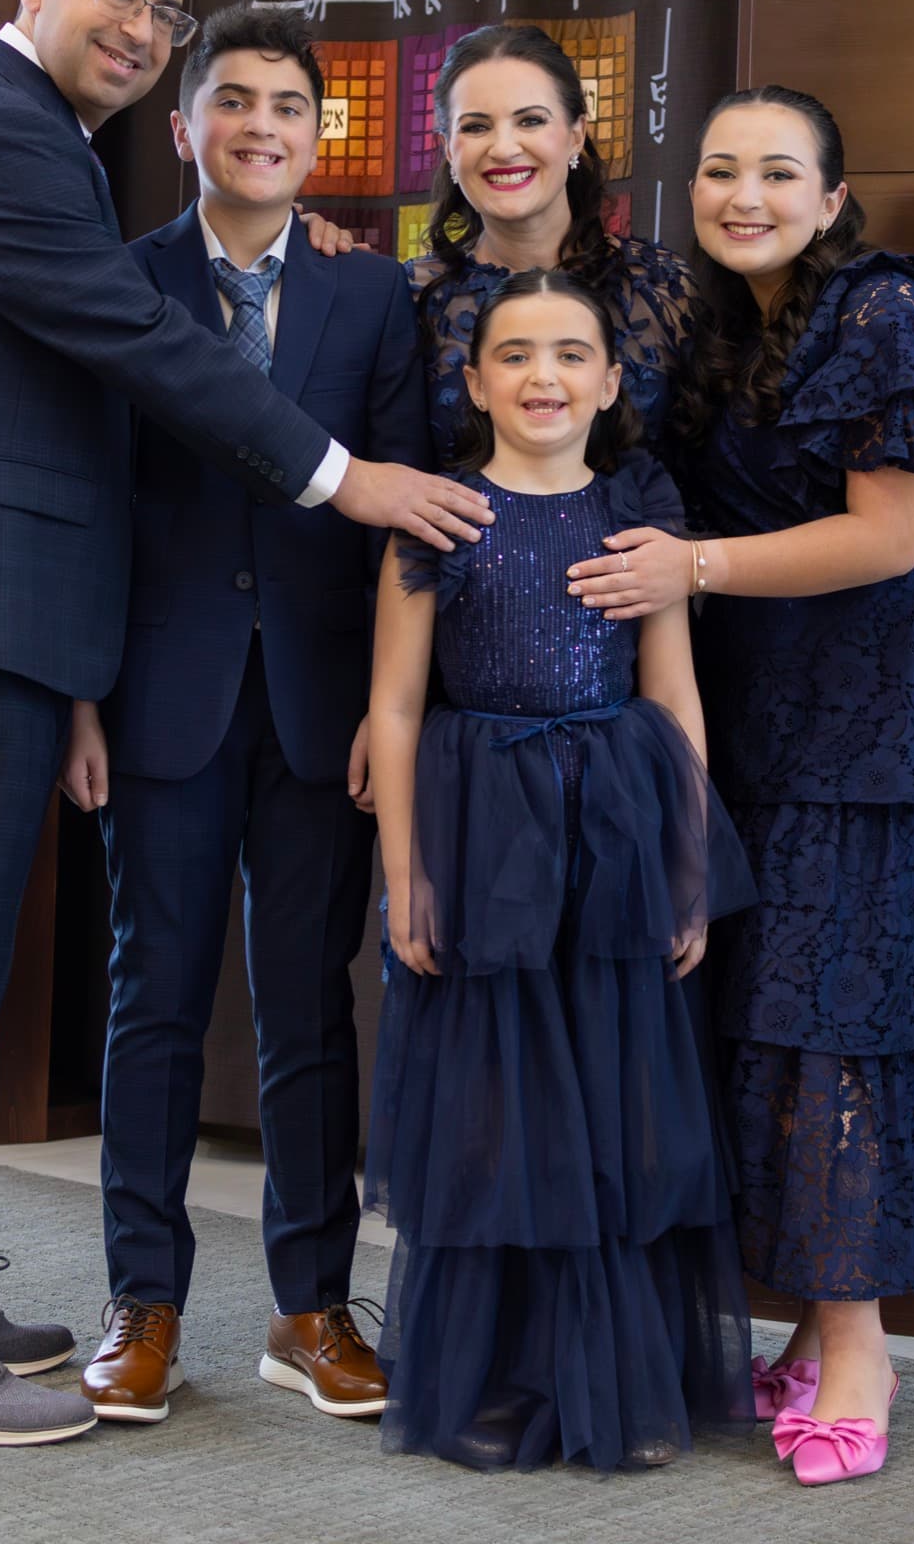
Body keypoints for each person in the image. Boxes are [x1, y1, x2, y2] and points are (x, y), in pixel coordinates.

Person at [0, 0, 490, 1448]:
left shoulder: (30, 138)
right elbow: (138, 344)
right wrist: (343, 476)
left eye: (162, 9)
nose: (137, 27)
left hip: (3, 620)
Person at [566, 86, 914, 1486]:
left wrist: (690, 566)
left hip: (885, 744)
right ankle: (816, 1333)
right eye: (719, 170)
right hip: (765, 732)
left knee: (839, 1037)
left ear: (832, 198)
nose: (742, 195)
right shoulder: (726, 326)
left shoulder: (885, 314)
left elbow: (892, 539)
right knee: (774, 1039)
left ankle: (860, 1350)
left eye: (777, 172)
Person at [58, 3, 429, 1425]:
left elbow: (396, 514)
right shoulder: (120, 279)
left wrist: (386, 708)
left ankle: (311, 1307)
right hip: (161, 696)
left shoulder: (371, 295)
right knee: (151, 998)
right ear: (184, 125)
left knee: (309, 1010)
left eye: (285, 105)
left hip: (321, 705)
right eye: (233, 100)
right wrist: (81, 698)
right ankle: (141, 1302)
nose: (259, 125)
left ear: (318, 138)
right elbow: (91, 502)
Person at [364, 269, 757, 1471]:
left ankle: (612, 1377)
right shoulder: (438, 516)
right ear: (475, 381)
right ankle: (500, 1371)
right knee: (493, 1105)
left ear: (611, 379)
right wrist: (405, 877)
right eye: (516, 354)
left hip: (615, 833)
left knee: (614, 1106)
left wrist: (687, 863)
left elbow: (672, 693)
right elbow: (394, 706)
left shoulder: (639, 512)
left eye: (572, 353)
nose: (545, 375)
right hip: (483, 835)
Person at [407, 23, 694, 465]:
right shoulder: (408, 298)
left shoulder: (661, 287)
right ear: (448, 150)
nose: (504, 148)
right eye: (477, 126)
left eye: (531, 121)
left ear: (576, 135)